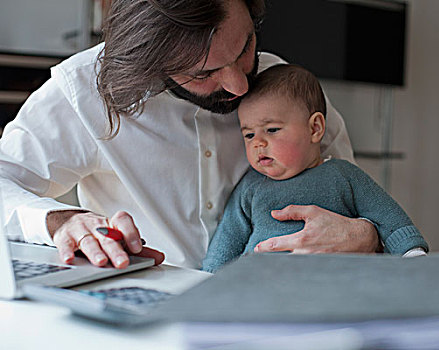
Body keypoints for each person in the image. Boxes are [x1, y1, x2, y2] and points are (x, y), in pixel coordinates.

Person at [0, 0, 379, 270]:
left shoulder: (288, 89)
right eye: (203, 73)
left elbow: (353, 197)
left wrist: (366, 236)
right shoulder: (85, 91)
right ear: (150, 61)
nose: (238, 84)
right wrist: (59, 221)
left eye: (245, 46)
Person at [202, 64, 428, 272]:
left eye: (271, 130)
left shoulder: (343, 175)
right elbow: (228, 240)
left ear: (315, 128)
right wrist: (208, 280)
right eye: (249, 135)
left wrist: (412, 253)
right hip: (262, 284)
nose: (257, 143)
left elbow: (390, 217)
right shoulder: (250, 187)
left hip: (331, 283)